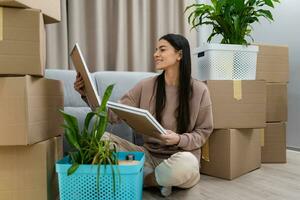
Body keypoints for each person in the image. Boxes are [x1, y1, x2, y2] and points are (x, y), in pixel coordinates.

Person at [74, 33, 213, 197]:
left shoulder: (199, 90)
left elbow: (204, 132)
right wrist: (86, 94)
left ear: (179, 55)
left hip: (180, 159)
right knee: (103, 140)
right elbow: (113, 114)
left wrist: (179, 139)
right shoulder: (146, 85)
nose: (156, 54)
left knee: (187, 164)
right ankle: (158, 179)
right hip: (147, 157)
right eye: (156, 50)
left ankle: (145, 180)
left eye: (162, 49)